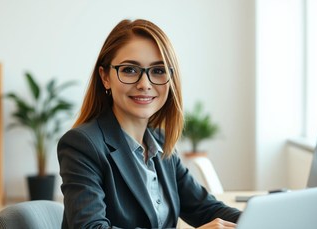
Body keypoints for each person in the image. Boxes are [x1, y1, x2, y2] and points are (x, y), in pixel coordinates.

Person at [57, 19, 241, 229]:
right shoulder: (82, 144)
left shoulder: (161, 144)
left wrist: (263, 220)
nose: (145, 84)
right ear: (105, 77)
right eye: (129, 70)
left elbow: (205, 209)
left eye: (158, 71)